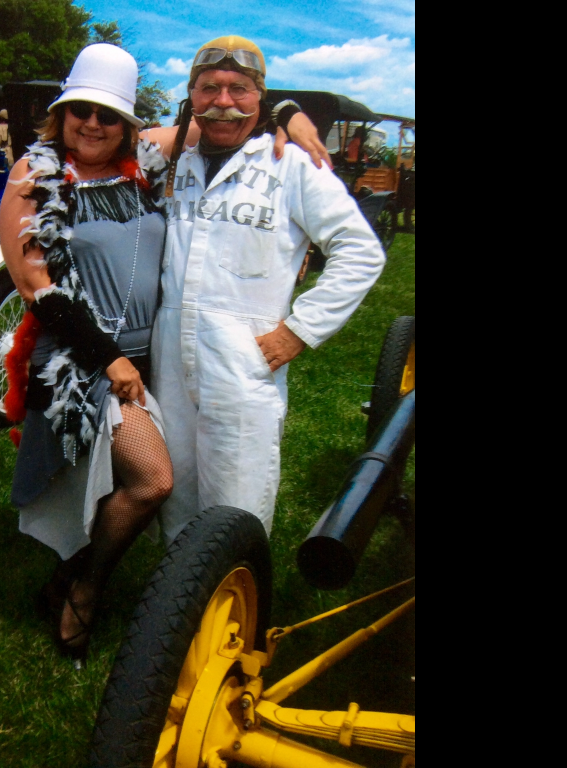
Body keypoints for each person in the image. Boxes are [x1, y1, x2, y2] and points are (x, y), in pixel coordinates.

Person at [0, 42, 328, 663]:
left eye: (108, 115)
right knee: (153, 481)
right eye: (80, 111)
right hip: (81, 357)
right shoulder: (32, 177)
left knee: (134, 482)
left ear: (127, 124)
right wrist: (109, 359)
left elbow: (223, 114)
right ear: (61, 115)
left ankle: (71, 574)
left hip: (153, 352)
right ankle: (83, 588)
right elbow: (35, 287)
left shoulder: (148, 156)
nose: (93, 124)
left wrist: (290, 112)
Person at [141, 35, 387, 544]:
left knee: (237, 499)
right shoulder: (175, 163)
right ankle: (177, 591)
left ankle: (236, 587)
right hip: (168, 359)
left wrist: (300, 330)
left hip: (243, 361)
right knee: (177, 495)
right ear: (191, 95)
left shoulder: (291, 165)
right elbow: (113, 141)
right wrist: (284, 111)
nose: (224, 101)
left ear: (260, 97)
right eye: (210, 88)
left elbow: (360, 250)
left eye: (240, 89)